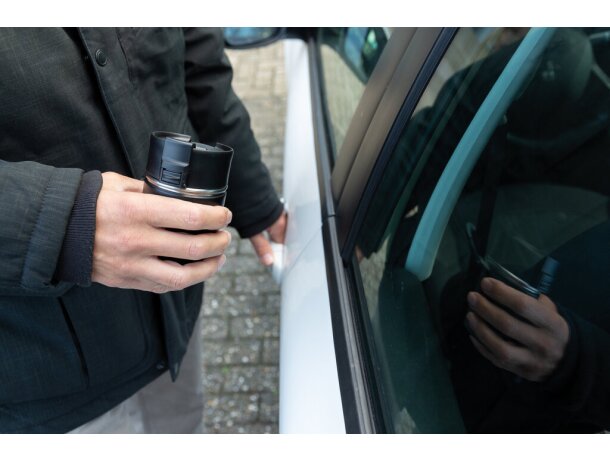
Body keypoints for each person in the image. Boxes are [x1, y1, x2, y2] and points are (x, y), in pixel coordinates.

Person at [0, 27, 286, 433]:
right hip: (44, 383)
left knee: (185, 425)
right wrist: (66, 223)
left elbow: (197, 59)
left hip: (172, 316)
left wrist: (254, 198)